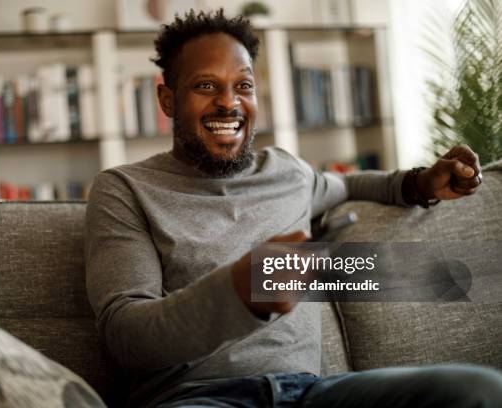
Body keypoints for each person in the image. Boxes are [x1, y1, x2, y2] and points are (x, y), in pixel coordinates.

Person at [85, 9, 501, 408]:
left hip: (312, 394)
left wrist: (419, 183)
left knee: (477, 389)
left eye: (243, 86)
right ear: (167, 99)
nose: (229, 103)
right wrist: (240, 291)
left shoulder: (287, 172)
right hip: (198, 398)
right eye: (206, 86)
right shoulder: (124, 190)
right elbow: (127, 335)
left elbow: (349, 184)